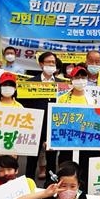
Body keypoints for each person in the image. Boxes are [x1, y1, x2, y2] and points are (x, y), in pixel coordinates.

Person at [20, 52, 65, 181]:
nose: (51, 64)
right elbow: (23, 106)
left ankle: (50, 186)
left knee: (52, 159)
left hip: (53, 126)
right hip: (34, 126)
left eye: (53, 62)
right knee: (31, 158)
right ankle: (28, 184)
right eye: (48, 62)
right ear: (41, 64)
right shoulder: (29, 83)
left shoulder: (62, 84)